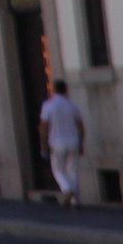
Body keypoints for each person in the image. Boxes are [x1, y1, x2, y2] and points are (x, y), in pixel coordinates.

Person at [38, 78, 86, 207]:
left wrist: (43, 144)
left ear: (54, 90)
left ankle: (67, 190)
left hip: (57, 143)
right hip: (73, 142)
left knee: (58, 169)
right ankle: (74, 201)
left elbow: (43, 126)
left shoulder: (48, 105)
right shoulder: (72, 106)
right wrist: (81, 143)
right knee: (73, 171)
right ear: (66, 90)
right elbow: (81, 126)